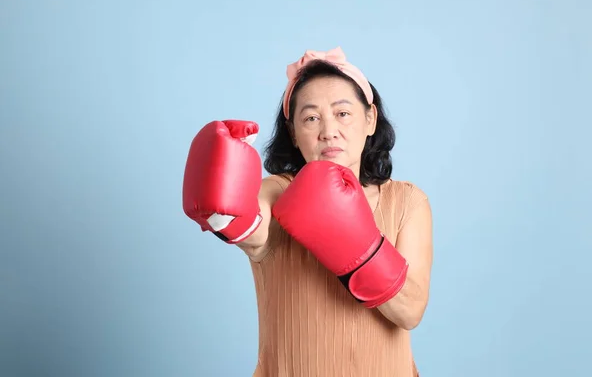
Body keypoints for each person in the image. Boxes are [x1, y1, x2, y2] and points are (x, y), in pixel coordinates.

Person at [182, 47, 434, 376]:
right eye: (311, 118)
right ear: (293, 133)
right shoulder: (277, 191)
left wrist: (360, 250)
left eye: (342, 113)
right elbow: (254, 228)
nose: (328, 130)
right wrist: (224, 212)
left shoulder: (408, 202)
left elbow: (411, 311)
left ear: (370, 119)